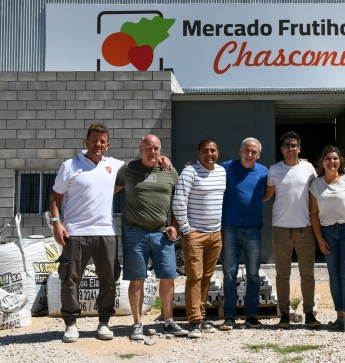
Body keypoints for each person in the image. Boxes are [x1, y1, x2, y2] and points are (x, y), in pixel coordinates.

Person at [50, 123, 170, 343]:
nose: (98, 144)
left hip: (106, 232)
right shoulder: (69, 166)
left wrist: (161, 159)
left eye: (102, 141)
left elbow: (143, 164)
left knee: (108, 280)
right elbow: (55, 198)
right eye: (94, 140)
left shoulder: (115, 166)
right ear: (86, 142)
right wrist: (57, 223)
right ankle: (71, 325)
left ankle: (104, 323)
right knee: (70, 279)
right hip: (75, 232)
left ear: (108, 144)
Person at [114, 134, 188, 340]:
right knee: (137, 278)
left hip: (161, 233)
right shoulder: (128, 169)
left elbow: (178, 201)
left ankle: (168, 321)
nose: (152, 151)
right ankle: (137, 324)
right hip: (134, 232)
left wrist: (174, 225)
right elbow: (109, 190)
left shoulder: (170, 171)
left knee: (167, 277)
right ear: (140, 148)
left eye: (156, 148)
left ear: (160, 150)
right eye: (148, 147)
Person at [264, 131, 321, 329]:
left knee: (307, 273)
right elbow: (265, 196)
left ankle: (309, 313)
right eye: (287, 145)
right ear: (281, 149)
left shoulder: (308, 168)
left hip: (305, 227)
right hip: (281, 227)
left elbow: (318, 189)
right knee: (282, 274)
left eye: (294, 145)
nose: (290, 149)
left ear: (299, 148)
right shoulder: (274, 170)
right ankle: (284, 314)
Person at [172, 138, 226, 338]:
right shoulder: (189, 172)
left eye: (213, 150)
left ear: (217, 153)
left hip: (215, 234)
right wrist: (186, 230)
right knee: (194, 276)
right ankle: (194, 320)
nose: (209, 154)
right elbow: (178, 202)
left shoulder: (222, 172)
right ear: (198, 153)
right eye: (205, 151)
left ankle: (201, 317)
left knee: (206, 277)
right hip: (195, 233)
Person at [309, 146, 345, 333]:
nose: (331, 162)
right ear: (322, 162)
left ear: (339, 161)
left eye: (335, 158)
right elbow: (314, 214)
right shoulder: (316, 185)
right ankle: (339, 316)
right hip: (327, 233)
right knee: (334, 275)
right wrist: (319, 239)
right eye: (327, 158)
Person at [218, 138, 269, 331]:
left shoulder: (264, 171)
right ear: (240, 151)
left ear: (258, 155)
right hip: (230, 227)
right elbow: (207, 168)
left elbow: (269, 191)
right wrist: (192, 164)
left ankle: (251, 316)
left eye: (253, 152)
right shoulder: (226, 167)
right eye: (247, 151)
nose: (249, 155)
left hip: (254, 229)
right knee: (229, 274)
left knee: (253, 274)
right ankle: (230, 316)